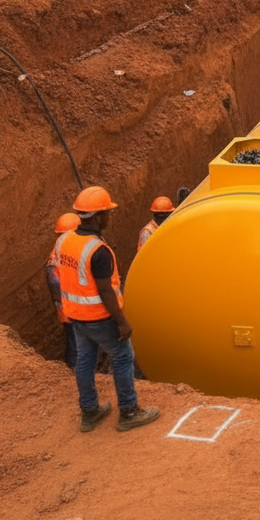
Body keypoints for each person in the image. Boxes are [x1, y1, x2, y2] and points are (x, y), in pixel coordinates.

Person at [57, 185, 160, 433]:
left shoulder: (65, 240)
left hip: (75, 316)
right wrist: (122, 321)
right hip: (99, 317)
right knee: (123, 358)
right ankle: (129, 411)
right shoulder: (98, 251)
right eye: (107, 212)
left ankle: (90, 411)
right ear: (98, 217)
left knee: (84, 361)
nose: (110, 217)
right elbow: (105, 291)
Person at [45, 212, 80, 370]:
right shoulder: (57, 259)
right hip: (70, 310)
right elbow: (55, 286)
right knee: (75, 345)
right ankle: (73, 373)